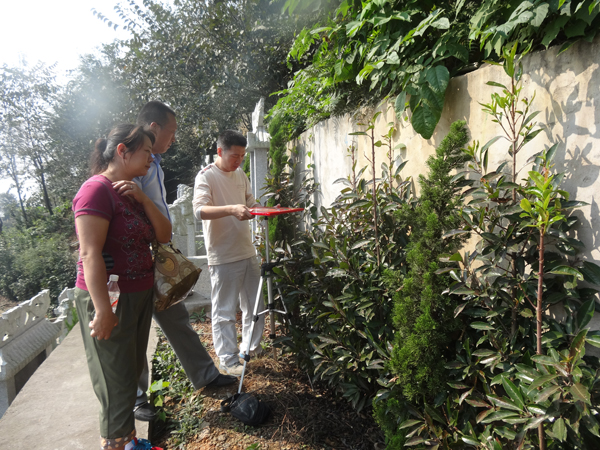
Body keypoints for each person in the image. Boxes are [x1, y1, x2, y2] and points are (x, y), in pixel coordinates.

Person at [132, 101, 237, 422]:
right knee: (135, 331)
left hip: (156, 254)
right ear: (154, 127)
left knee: (176, 317)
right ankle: (136, 398)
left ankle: (204, 375)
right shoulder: (137, 160)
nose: (174, 138)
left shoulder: (155, 162)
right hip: (135, 258)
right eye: (172, 131)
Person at [73, 124, 171, 450]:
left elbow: (164, 234)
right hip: (111, 296)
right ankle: (115, 444)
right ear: (122, 151)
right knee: (114, 383)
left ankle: (129, 443)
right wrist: (102, 309)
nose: (152, 158)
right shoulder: (95, 190)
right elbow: (89, 253)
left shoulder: (129, 190)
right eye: (146, 152)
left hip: (138, 294)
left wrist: (144, 199)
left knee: (129, 375)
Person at [192, 130, 266, 376]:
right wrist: (232, 209)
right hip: (223, 255)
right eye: (235, 155)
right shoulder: (206, 177)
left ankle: (251, 349)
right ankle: (228, 359)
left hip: (247, 249)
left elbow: (249, 201)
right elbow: (200, 211)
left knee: (254, 304)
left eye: (242, 156)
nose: (239, 161)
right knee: (224, 310)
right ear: (220, 152)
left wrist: (263, 209)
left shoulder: (240, 173)